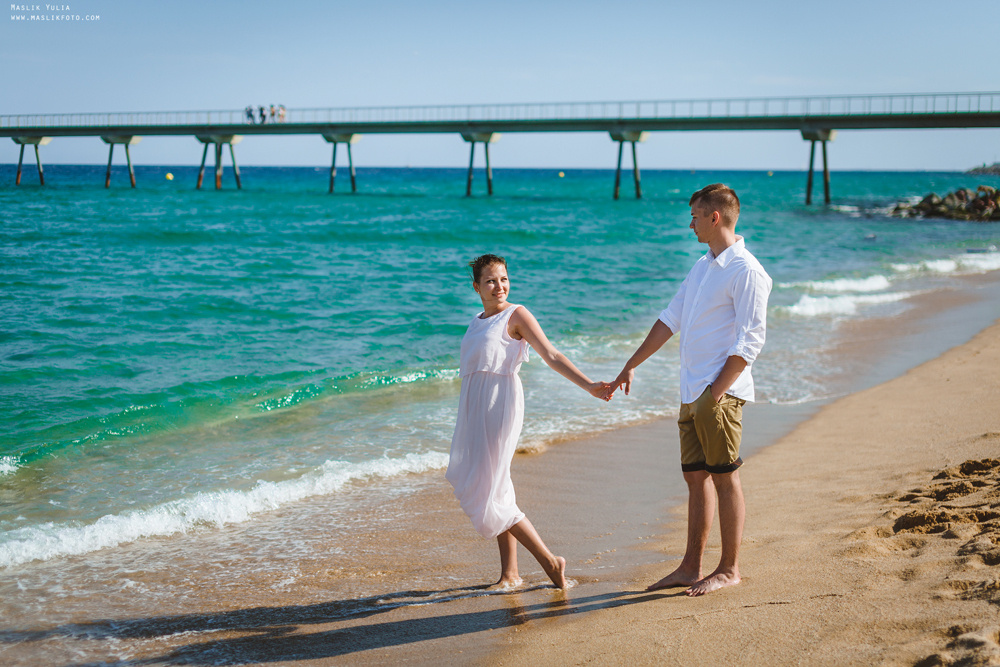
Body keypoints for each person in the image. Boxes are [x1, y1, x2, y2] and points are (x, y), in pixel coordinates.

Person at [612, 184, 771, 597]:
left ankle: (730, 568)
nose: (691, 223)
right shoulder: (703, 266)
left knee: (724, 477)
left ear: (715, 217)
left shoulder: (747, 270)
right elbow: (670, 319)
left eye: (696, 216)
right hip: (691, 390)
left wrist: (715, 393)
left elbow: (751, 341)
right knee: (696, 479)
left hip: (719, 393)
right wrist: (632, 364)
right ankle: (690, 566)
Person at [447, 254, 611, 590]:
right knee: (496, 486)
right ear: (476, 286)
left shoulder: (516, 314)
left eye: (504, 279)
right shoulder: (476, 320)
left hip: (500, 404)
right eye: (491, 281)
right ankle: (510, 574)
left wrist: (589, 385)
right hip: (475, 408)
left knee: (493, 488)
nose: (499, 286)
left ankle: (551, 562)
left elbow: (551, 355)